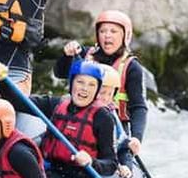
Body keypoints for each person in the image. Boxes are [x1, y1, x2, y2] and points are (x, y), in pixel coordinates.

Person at [0, 60, 116, 178]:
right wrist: (2, 80)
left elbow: (111, 164)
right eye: (80, 82)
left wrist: (92, 162)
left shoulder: (102, 117)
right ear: (72, 84)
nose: (85, 89)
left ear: (97, 90)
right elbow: (18, 101)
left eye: (91, 85)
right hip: (49, 173)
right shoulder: (57, 104)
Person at [55, 10, 148, 146]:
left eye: (113, 31)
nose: (107, 36)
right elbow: (60, 73)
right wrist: (67, 56)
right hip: (78, 119)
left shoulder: (132, 67)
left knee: (120, 161)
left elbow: (139, 107)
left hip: (114, 126)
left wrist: (136, 138)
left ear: (125, 36)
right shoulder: (85, 54)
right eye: (103, 31)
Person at [96, 63, 138, 178]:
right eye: (102, 92)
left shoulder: (111, 115)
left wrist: (126, 166)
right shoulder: (72, 108)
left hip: (102, 167)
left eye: (109, 94)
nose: (105, 98)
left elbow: (123, 147)